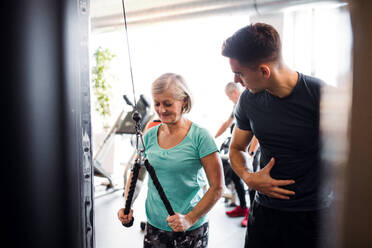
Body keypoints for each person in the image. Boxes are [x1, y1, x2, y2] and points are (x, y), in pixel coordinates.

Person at [221, 23, 333, 248]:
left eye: (240, 73)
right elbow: (236, 149)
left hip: (315, 214)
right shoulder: (248, 100)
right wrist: (248, 177)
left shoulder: (320, 95)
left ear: (264, 71)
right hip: (266, 213)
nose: (235, 80)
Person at [118, 73, 224, 247]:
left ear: (184, 101)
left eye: (168, 104)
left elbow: (218, 187)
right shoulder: (150, 135)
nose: (161, 110)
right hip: (155, 224)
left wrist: (190, 218)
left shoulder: (201, 137)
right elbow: (138, 174)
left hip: (190, 228)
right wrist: (127, 205)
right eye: (157, 104)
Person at [215, 82, 259, 227]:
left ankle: (251, 214)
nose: (229, 99)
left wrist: (250, 152)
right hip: (242, 148)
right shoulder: (238, 105)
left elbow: (256, 131)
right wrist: (213, 137)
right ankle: (243, 207)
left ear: (234, 92)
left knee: (252, 181)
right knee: (235, 174)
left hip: (253, 149)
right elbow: (227, 123)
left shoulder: (251, 101)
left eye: (229, 96)